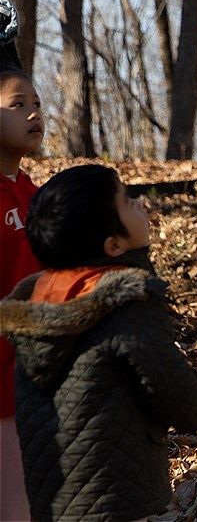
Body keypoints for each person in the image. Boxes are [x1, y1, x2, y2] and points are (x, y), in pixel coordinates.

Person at [0, 164, 197, 522]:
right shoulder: (127, 302)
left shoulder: (36, 302)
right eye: (127, 201)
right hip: (118, 493)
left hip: (53, 498)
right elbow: (180, 401)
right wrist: (189, 414)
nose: (139, 204)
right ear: (114, 245)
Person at [0, 65, 43, 522]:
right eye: (18, 104)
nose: (33, 112)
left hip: (37, 380)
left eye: (36, 103)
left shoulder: (37, 196)